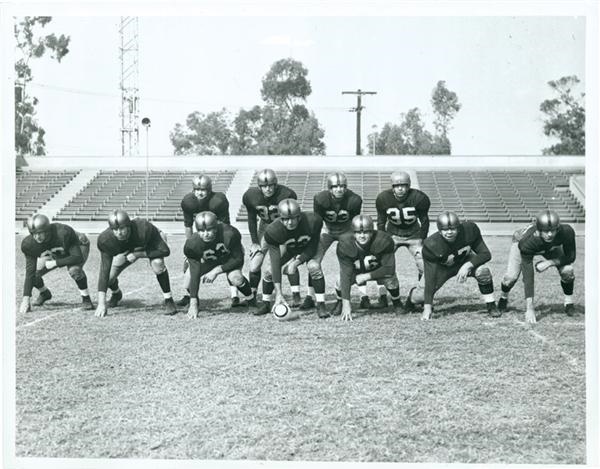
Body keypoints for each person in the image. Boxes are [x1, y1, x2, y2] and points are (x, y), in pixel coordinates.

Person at [405, 211, 499, 320]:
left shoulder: (470, 230)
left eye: (453, 228)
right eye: (445, 229)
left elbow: (486, 254)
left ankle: (491, 305)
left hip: (465, 260)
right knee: (419, 297)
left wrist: (468, 265)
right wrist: (427, 308)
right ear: (439, 231)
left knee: (483, 271)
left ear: (458, 228)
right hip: (442, 268)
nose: (449, 232)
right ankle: (412, 297)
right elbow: (430, 278)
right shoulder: (431, 245)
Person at [95, 209, 177, 317]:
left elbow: (164, 251)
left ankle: (169, 300)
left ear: (128, 225)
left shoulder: (143, 228)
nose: (119, 232)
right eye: (115, 229)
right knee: (109, 278)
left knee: (158, 264)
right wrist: (101, 303)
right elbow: (104, 271)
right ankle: (116, 294)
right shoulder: (106, 240)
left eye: (122, 228)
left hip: (150, 244)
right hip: (128, 249)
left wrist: (138, 254)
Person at [498, 210, 576, 323]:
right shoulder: (527, 242)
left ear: (558, 228)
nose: (549, 234)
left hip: (549, 247)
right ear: (539, 230)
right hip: (524, 241)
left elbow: (570, 256)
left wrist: (549, 263)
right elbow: (528, 276)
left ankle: (568, 303)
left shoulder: (566, 231)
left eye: (553, 230)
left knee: (568, 270)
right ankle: (503, 297)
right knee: (510, 278)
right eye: (546, 231)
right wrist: (530, 308)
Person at [255, 198, 329, 319]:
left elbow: (312, 246)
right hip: (290, 247)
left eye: (292, 218)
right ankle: (266, 303)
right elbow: (275, 261)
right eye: (285, 219)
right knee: (269, 271)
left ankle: (321, 305)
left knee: (313, 267)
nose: (289, 222)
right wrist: (279, 293)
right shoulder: (273, 231)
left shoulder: (313, 220)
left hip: (310, 245)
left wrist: (296, 262)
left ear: (299, 217)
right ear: (280, 218)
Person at [178, 174, 241, 308]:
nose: (200, 192)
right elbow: (188, 225)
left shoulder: (218, 200)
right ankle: (190, 295)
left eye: (203, 189)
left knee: (228, 260)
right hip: (201, 235)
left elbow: (226, 226)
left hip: (220, 234)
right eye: (197, 189)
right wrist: (191, 246)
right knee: (189, 262)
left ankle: (234, 294)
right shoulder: (188, 201)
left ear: (210, 189)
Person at [242, 169, 302, 305]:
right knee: (254, 264)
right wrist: (254, 242)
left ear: (276, 184)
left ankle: (296, 295)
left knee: (283, 263)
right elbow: (251, 219)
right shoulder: (250, 196)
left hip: (282, 228)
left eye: (270, 185)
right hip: (264, 227)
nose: (268, 189)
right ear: (259, 186)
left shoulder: (287, 194)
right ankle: (252, 294)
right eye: (264, 186)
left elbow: (292, 216)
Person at [308, 172, 365, 310]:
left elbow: (355, 222)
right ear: (329, 188)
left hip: (346, 230)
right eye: (335, 186)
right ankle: (310, 296)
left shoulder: (354, 199)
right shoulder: (320, 198)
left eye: (342, 186)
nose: (339, 189)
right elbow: (317, 221)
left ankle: (363, 296)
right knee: (314, 260)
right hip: (327, 230)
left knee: (353, 260)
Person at [331, 215, 403, 321]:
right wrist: (347, 303)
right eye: (358, 233)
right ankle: (340, 302)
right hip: (356, 273)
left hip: (378, 271)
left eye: (366, 232)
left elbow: (389, 268)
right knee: (339, 280)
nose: (362, 236)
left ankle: (397, 302)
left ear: (372, 232)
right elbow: (345, 274)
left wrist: (366, 276)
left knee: (391, 278)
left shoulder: (383, 240)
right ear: (353, 233)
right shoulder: (345, 243)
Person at [184, 212, 255, 319]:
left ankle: (251, 301)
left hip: (229, 259)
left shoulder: (230, 233)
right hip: (209, 261)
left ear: (216, 227)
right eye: (201, 231)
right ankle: (196, 302)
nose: (206, 234)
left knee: (236, 278)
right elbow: (195, 272)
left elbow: (238, 259)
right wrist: (193, 302)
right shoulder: (192, 244)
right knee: (187, 282)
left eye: (209, 230)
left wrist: (216, 271)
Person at [375, 171, 430, 307]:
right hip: (393, 235)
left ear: (409, 186)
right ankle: (382, 295)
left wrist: (422, 238)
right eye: (397, 185)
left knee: (424, 265)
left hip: (414, 235)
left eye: (403, 185)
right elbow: (381, 222)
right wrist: (383, 240)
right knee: (379, 262)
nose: (400, 188)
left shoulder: (419, 197)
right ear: (392, 187)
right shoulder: (383, 198)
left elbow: (425, 221)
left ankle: (421, 295)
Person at [19, 213, 93, 313]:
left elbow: (77, 257)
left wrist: (56, 263)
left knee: (74, 270)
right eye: (33, 233)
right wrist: (25, 299)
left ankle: (86, 299)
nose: (37, 237)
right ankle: (44, 293)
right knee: (35, 274)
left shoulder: (63, 233)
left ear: (47, 230)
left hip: (78, 245)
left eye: (40, 233)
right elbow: (30, 272)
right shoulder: (29, 244)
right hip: (55, 250)